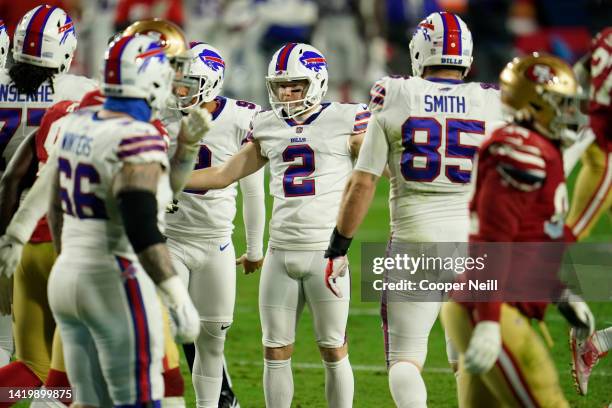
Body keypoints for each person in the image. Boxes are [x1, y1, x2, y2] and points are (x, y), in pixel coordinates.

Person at [323, 11, 503, 407]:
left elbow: (362, 181)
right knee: (470, 360)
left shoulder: (397, 93)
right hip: (475, 244)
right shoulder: (492, 100)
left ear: (418, 51)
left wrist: (338, 247)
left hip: (413, 241)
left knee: (405, 360)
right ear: (468, 58)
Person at [185, 42, 369, 408]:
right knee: (274, 351)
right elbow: (223, 175)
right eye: (281, 85)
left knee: (334, 350)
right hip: (280, 253)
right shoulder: (267, 124)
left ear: (316, 82)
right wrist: (168, 178)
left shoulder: (347, 118)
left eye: (295, 85)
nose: (286, 92)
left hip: (326, 253)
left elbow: (377, 165)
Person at [45, 34, 202, 407]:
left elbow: (54, 206)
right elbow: (142, 223)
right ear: (149, 77)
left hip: (67, 276)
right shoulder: (137, 135)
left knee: (87, 401)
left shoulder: (78, 121)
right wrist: (177, 295)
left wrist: (186, 151)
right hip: (113, 277)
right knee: (140, 399)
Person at [440, 53, 594, 407]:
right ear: (535, 105)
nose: (570, 113)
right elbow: (491, 243)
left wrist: (558, 292)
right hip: (493, 307)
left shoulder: (542, 150)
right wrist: (490, 321)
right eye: (562, 105)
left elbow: (529, 241)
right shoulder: (520, 151)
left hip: (492, 304)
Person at [0, 4, 97, 392]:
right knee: (70, 355)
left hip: (7, 217)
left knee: (9, 339)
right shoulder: (81, 92)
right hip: (50, 227)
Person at [165, 41, 265, 408]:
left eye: (186, 83)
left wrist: (254, 247)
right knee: (163, 333)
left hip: (216, 243)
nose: (177, 90)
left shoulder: (240, 118)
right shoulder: (158, 113)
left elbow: (254, 189)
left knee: (212, 339)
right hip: (168, 239)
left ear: (209, 84)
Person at [567, 27, 612, 396]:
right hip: (608, 154)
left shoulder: (606, 35)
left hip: (598, 143)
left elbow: (580, 71)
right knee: (558, 244)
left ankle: (597, 342)